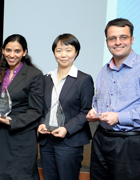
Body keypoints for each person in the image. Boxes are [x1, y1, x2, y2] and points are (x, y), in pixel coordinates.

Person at [86, 18, 140, 180]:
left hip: (129, 143)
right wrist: (95, 112)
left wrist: (119, 117)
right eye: (112, 38)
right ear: (107, 42)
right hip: (101, 139)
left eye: (123, 37)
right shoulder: (104, 70)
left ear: (132, 39)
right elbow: (99, 101)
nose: (117, 42)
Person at [0, 34, 44, 180]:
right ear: (3, 50)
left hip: (20, 138)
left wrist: (10, 121)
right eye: (8, 50)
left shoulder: (34, 75)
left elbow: (36, 110)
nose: (12, 55)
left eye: (17, 51)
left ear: (24, 52)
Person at [37, 33, 93, 180]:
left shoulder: (83, 80)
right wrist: (41, 122)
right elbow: (40, 107)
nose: (63, 55)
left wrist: (66, 129)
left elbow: (86, 111)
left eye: (68, 50)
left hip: (70, 141)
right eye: (59, 50)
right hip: (47, 140)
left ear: (76, 53)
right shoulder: (46, 78)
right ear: (54, 53)